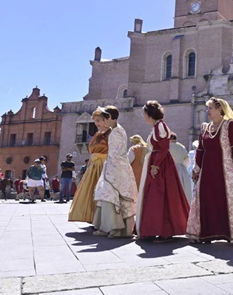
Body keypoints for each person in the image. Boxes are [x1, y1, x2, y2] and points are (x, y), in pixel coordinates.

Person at [187, 97, 233, 247]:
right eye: (207, 108)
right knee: (208, 202)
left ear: (220, 109)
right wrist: (196, 169)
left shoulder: (229, 125)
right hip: (207, 174)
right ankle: (206, 234)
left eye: (210, 108)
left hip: (227, 174)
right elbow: (200, 151)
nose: (208, 111)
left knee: (232, 202)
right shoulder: (205, 128)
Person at [136, 101, 190, 240]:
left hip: (161, 165)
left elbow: (164, 148)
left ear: (149, 114)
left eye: (144, 114)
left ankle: (163, 230)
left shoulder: (161, 126)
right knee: (157, 195)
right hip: (157, 162)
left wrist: (156, 166)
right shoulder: (157, 127)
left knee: (159, 195)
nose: (143, 117)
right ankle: (155, 229)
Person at [93, 105, 138, 238]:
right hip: (116, 167)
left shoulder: (115, 132)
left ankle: (115, 229)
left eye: (105, 118)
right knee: (109, 196)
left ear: (111, 118)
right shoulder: (118, 130)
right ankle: (110, 228)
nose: (104, 121)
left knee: (111, 196)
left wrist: (110, 170)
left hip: (115, 169)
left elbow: (116, 154)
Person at [68, 108, 111, 222]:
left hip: (103, 164)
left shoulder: (110, 132)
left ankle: (101, 218)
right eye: (95, 121)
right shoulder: (97, 134)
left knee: (100, 190)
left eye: (99, 120)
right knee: (90, 190)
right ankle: (91, 216)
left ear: (106, 120)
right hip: (93, 165)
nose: (97, 123)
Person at [169, 132, 193, 203]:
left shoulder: (166, 147)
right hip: (181, 170)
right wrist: (183, 166)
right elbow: (187, 160)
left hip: (169, 169)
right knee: (182, 189)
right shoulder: (181, 147)